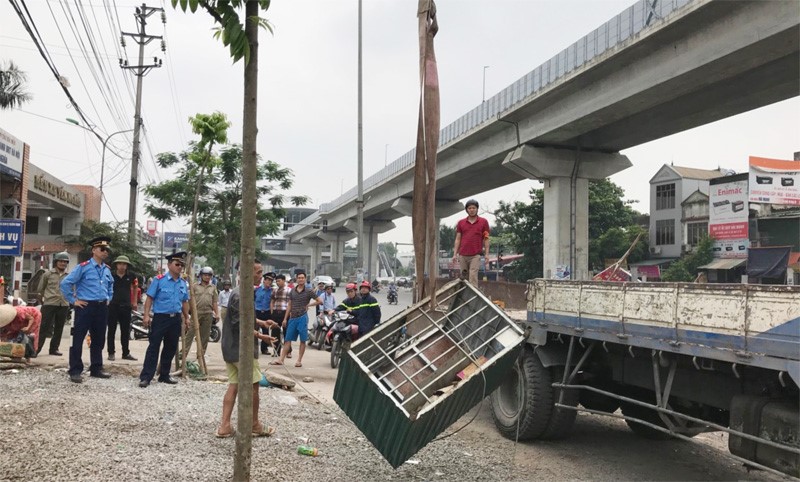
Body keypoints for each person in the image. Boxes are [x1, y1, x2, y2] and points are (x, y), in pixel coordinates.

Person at [217, 260, 276, 438]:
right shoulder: (240, 295)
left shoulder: (242, 293)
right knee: (253, 386)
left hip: (230, 348)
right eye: (258, 272)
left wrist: (260, 322)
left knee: (234, 385)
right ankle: (254, 424)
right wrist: (261, 335)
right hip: (241, 351)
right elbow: (241, 326)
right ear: (247, 274)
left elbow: (246, 318)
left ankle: (225, 426)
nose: (261, 276)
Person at [60, 236, 114, 383]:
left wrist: (109, 297)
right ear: (94, 250)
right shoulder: (83, 267)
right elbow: (65, 283)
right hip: (85, 306)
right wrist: (73, 300)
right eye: (102, 249)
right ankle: (75, 370)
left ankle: (96, 368)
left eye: (107, 250)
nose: (105, 252)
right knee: (78, 339)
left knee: (99, 339)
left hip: (101, 307)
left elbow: (110, 286)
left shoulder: (107, 269)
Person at [138, 252, 190, 388]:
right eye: (177, 264)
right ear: (169, 265)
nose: (180, 267)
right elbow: (149, 298)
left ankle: (164, 375)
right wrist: (146, 315)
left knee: (170, 347)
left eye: (182, 265)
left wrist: (187, 317)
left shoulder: (183, 283)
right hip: (161, 318)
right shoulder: (159, 280)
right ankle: (146, 377)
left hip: (175, 319)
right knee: (154, 347)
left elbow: (185, 301)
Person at [271, 271, 321, 368]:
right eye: (299, 278)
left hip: (302, 317)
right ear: (296, 279)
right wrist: (285, 319)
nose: (301, 279)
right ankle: (281, 359)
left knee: (302, 340)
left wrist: (309, 305)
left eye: (302, 278)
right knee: (287, 339)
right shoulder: (292, 291)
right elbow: (289, 305)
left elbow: (320, 301)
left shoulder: (309, 291)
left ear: (305, 279)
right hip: (292, 317)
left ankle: (299, 360)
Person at [36, 251, 70, 357]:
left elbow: (72, 289)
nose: (63, 264)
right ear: (56, 262)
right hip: (49, 303)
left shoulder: (69, 276)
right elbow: (40, 289)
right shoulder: (47, 274)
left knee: (59, 328)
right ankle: (36, 349)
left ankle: (54, 349)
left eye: (65, 262)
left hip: (63, 304)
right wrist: (44, 301)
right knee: (43, 327)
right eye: (60, 261)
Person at [184, 266, 219, 362]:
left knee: (205, 336)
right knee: (190, 334)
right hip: (196, 313)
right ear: (201, 276)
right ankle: (183, 354)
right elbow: (189, 301)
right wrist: (188, 314)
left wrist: (217, 313)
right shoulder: (194, 286)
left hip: (208, 313)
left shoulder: (213, 288)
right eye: (205, 275)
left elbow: (215, 302)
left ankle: (201, 356)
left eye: (209, 275)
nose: (207, 277)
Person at [106, 255, 137, 362]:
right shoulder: (111, 274)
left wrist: (134, 301)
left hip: (126, 306)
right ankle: (111, 352)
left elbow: (135, 286)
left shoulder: (131, 276)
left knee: (125, 331)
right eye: (120, 264)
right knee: (111, 330)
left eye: (124, 264)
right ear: (116, 265)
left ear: (127, 266)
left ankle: (126, 353)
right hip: (112, 305)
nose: (122, 266)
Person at [453, 198, 491, 286]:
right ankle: (463, 296)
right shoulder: (461, 223)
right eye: (469, 208)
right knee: (464, 277)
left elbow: (486, 238)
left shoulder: (483, 222)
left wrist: (487, 254)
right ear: (467, 210)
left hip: (475, 255)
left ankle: (473, 298)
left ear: (477, 209)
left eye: (474, 208)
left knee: (473, 276)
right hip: (462, 255)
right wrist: (455, 254)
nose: (472, 210)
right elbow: (458, 239)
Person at [255, 272, 274, 355]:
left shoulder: (272, 291)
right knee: (254, 331)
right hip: (257, 312)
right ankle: (252, 348)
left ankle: (264, 349)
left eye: (271, 281)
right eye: (268, 280)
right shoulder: (256, 290)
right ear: (264, 280)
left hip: (266, 313)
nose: (269, 282)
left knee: (265, 331)